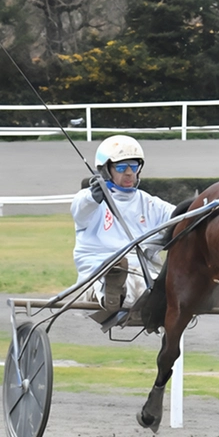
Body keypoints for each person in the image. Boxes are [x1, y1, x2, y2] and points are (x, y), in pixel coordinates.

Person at [71, 135, 176, 320]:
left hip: (144, 271)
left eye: (133, 166)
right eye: (121, 167)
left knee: (159, 283)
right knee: (128, 280)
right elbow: (80, 211)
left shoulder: (150, 203)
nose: (129, 173)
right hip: (98, 270)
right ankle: (113, 290)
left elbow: (178, 218)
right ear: (105, 170)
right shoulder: (89, 199)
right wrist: (92, 197)